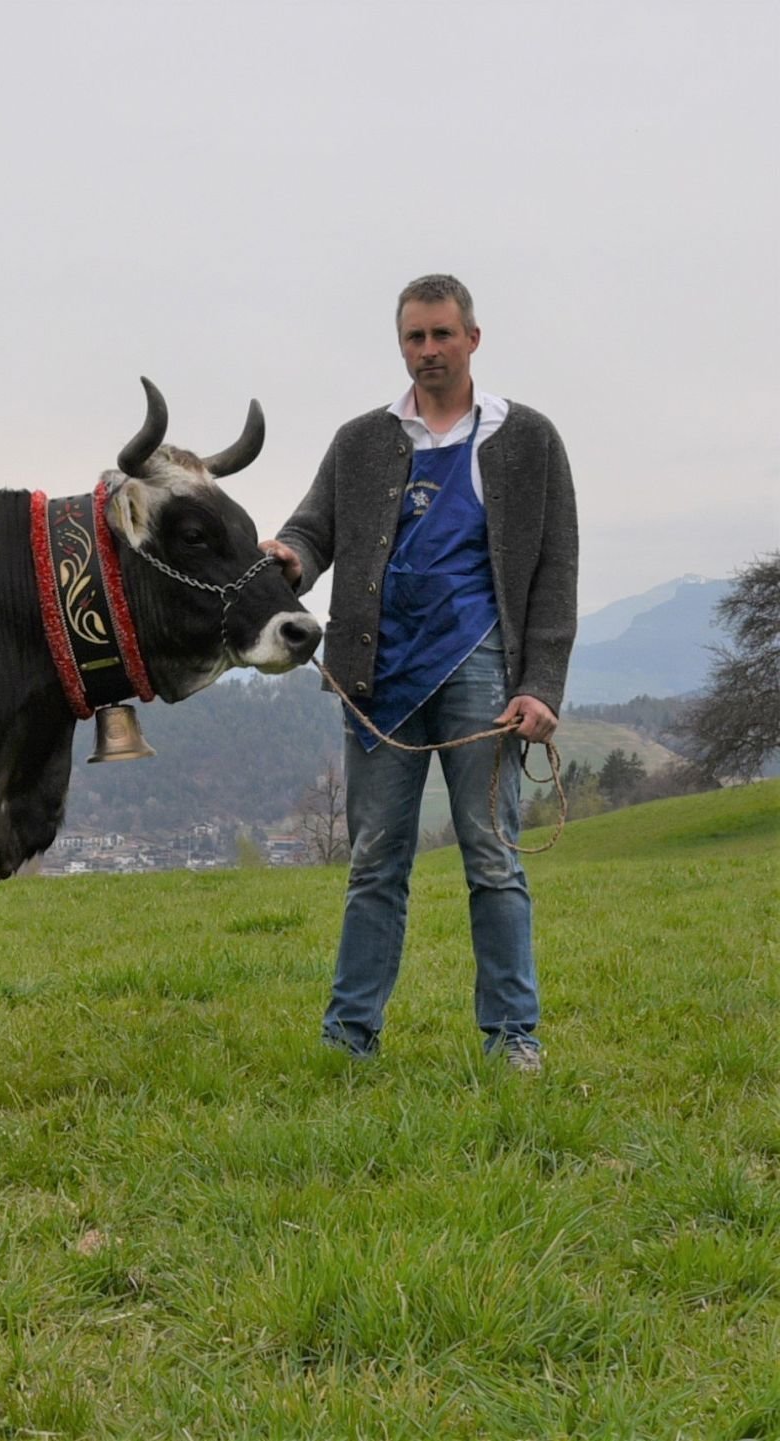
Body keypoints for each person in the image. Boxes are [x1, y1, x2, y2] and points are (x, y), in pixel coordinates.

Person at [260, 274, 577, 1071]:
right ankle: (348, 1039)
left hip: (482, 668)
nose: (428, 351)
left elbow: (556, 569)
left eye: (442, 334)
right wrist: (291, 556)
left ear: (474, 338)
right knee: (374, 861)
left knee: (492, 852)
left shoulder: (528, 439)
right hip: (378, 673)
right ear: (400, 344)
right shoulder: (360, 439)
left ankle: (514, 1039)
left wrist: (540, 683)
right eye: (414, 337)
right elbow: (314, 525)